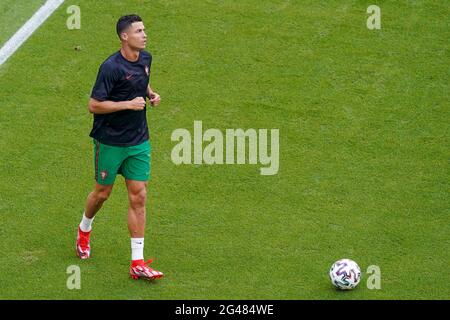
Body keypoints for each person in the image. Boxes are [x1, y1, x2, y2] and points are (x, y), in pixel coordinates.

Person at [75, 14, 163, 281]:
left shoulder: (145, 58)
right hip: (110, 141)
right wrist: (128, 104)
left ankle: (137, 262)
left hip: (138, 140)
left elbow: (139, 80)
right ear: (125, 37)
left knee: (139, 196)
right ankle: (84, 229)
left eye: (144, 30)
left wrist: (150, 94)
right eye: (139, 31)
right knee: (102, 193)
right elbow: (94, 105)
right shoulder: (110, 67)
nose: (144, 35)